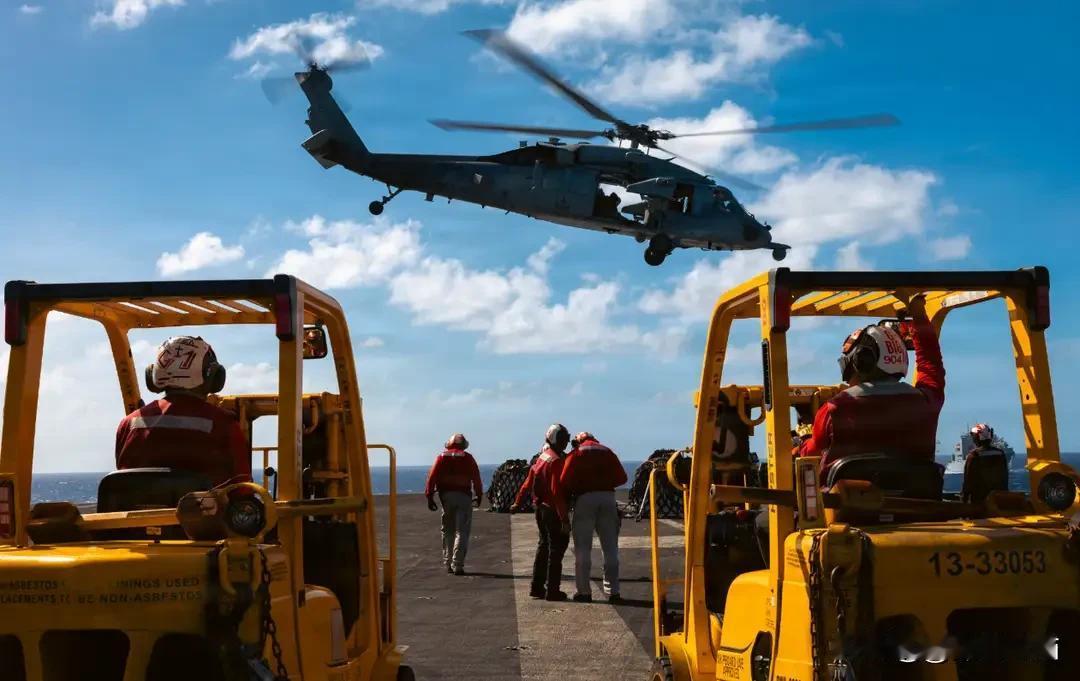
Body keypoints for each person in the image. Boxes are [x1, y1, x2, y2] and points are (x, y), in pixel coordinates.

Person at [798, 294, 945, 481]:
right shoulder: (926, 401)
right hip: (918, 507)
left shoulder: (834, 410)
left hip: (849, 509)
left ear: (859, 362)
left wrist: (803, 439)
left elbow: (810, 453)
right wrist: (918, 314)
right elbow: (931, 364)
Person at [116, 336, 250, 486]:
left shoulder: (128, 424)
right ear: (213, 376)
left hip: (137, 509)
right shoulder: (223, 423)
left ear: (154, 373)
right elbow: (242, 487)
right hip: (201, 509)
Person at [559, 431, 627, 604]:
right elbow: (622, 478)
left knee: (583, 549)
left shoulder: (577, 453)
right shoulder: (607, 451)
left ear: (578, 440)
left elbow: (564, 479)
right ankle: (614, 592)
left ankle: (584, 592)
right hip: (607, 499)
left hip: (585, 499)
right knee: (610, 548)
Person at [511, 424, 571, 601]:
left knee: (543, 547)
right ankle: (553, 590)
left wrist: (517, 503)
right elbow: (556, 492)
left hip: (540, 509)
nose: (566, 441)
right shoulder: (557, 461)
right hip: (552, 511)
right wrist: (564, 519)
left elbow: (528, 483)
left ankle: (536, 587)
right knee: (556, 550)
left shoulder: (542, 457)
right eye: (564, 438)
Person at [424, 433, 483, 576]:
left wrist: (429, 496)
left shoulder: (441, 457)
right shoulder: (468, 458)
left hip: (446, 498)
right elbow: (476, 478)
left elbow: (432, 478)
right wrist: (479, 495)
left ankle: (448, 562)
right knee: (461, 532)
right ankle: (458, 564)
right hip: (464, 497)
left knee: (447, 530)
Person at [961, 423, 1009, 503]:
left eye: (973, 436)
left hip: (980, 501)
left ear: (976, 438)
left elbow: (968, 481)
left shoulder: (974, 455)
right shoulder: (1000, 453)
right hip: (999, 500)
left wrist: (964, 500)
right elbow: (1005, 477)